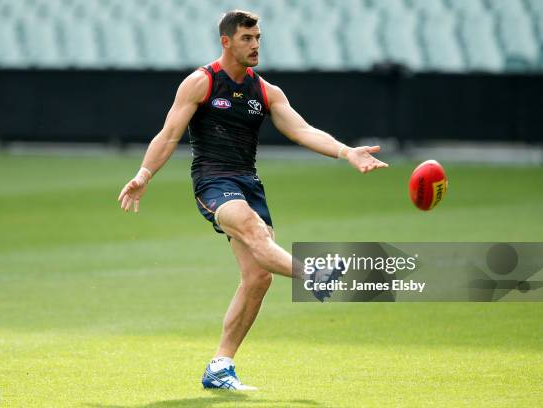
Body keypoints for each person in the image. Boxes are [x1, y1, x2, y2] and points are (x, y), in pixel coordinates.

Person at [118, 10, 388, 391]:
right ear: (226, 41)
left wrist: (347, 152)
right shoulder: (201, 82)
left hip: (249, 183)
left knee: (259, 276)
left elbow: (302, 129)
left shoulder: (266, 91)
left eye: (258, 37)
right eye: (247, 38)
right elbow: (168, 135)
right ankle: (314, 274)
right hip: (213, 182)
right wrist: (144, 175)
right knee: (253, 231)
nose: (256, 44)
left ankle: (220, 366)